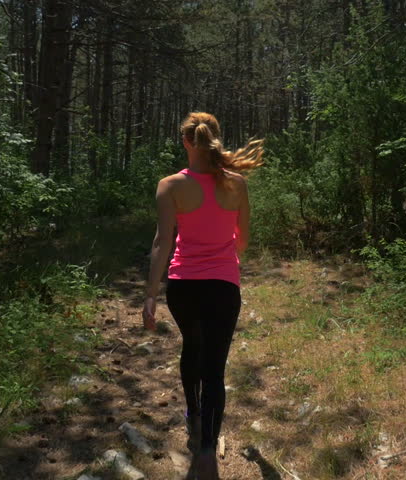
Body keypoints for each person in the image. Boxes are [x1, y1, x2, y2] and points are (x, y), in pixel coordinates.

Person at [142, 112, 263, 479]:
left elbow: (163, 242)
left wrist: (150, 295)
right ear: (214, 139)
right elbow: (242, 240)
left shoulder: (170, 185)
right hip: (223, 286)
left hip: (183, 286)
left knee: (191, 347)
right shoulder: (237, 184)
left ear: (185, 142)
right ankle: (208, 449)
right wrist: (223, 246)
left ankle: (193, 416)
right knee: (214, 367)